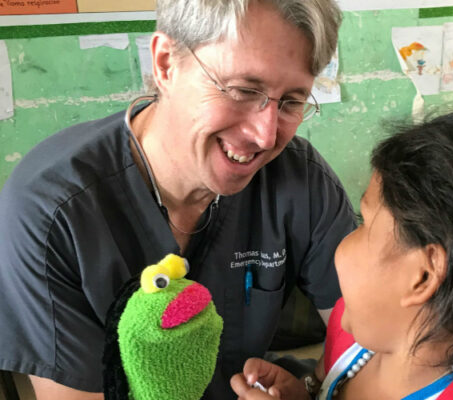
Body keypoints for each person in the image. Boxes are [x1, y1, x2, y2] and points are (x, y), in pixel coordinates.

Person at [0, 1, 355, 399]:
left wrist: (308, 389)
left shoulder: (299, 179)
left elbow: (370, 339)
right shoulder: (51, 213)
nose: (266, 135)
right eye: (242, 90)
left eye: (291, 101)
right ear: (166, 64)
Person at [230, 111, 453, 399]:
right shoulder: (353, 331)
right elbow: (323, 385)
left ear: (423, 276)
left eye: (363, 222)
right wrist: (302, 394)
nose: (343, 242)